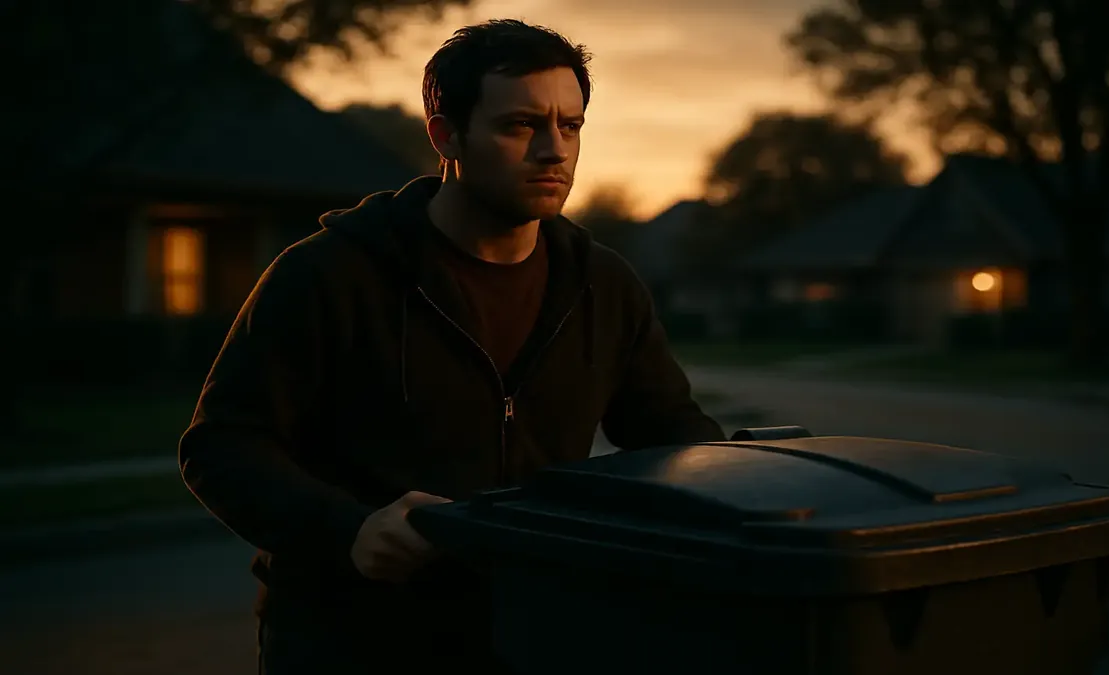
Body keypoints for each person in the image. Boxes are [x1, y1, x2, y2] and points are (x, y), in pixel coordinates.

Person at [178, 18, 725, 675]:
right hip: (353, 640)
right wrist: (349, 530)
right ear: (446, 135)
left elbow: (670, 435)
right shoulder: (330, 273)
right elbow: (222, 447)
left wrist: (750, 479)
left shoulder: (601, 284)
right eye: (520, 125)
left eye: (570, 126)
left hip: (534, 633)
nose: (554, 150)